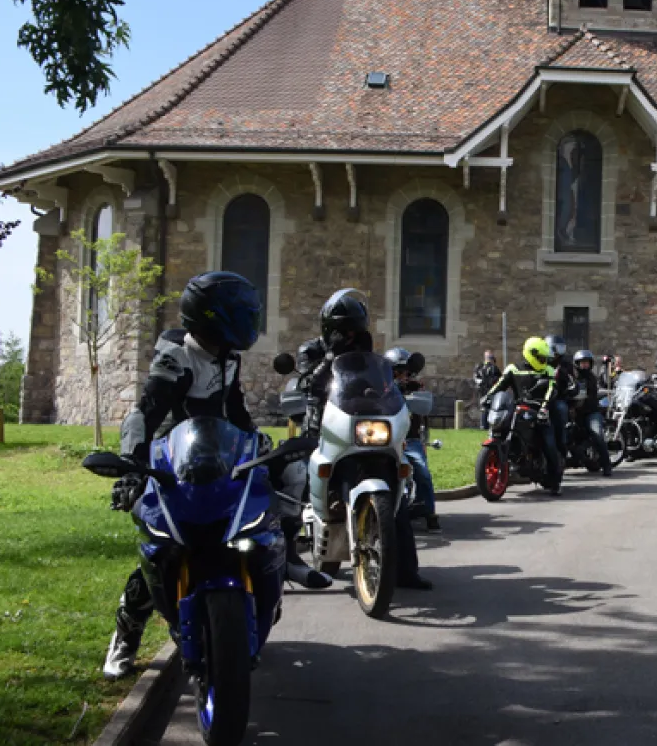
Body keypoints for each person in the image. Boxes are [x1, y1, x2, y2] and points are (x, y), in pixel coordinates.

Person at [104, 271, 305, 680]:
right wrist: (132, 467)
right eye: (242, 314)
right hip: (171, 461)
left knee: (288, 478)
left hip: (218, 453)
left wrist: (257, 443)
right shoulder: (175, 357)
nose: (249, 322)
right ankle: (126, 634)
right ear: (212, 316)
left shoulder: (227, 355)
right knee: (165, 549)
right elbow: (146, 412)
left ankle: (289, 559)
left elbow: (234, 408)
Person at [297, 290, 432, 590]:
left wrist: (390, 394)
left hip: (361, 427)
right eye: (342, 330)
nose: (349, 335)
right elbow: (307, 384)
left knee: (398, 494)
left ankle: (406, 571)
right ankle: (286, 561)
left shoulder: (368, 354)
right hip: (322, 427)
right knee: (295, 482)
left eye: (354, 329)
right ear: (329, 329)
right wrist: (329, 357)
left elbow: (379, 385)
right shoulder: (311, 350)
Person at [485, 336, 563, 494]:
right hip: (516, 409)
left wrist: (544, 408)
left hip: (539, 411)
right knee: (501, 429)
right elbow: (500, 385)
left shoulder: (547, 370)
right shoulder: (513, 369)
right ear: (530, 354)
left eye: (544, 358)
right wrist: (487, 397)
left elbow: (550, 390)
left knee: (549, 444)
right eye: (540, 358)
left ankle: (555, 481)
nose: (543, 361)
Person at [386, 347, 439, 532]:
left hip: (410, 440)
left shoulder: (415, 387)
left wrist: (413, 389)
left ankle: (430, 512)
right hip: (385, 439)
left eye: (405, 372)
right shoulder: (382, 389)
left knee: (422, 472)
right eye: (397, 372)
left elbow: (423, 410)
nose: (402, 376)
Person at [572, 350, 613, 476]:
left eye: (587, 363)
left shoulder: (591, 378)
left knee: (597, 434)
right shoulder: (573, 377)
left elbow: (586, 396)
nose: (585, 365)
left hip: (591, 412)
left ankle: (607, 465)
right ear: (577, 363)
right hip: (575, 413)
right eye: (582, 363)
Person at [546, 335, 575, 457]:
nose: (559, 352)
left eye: (561, 348)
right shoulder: (542, 362)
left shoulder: (565, 364)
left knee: (561, 408)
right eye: (557, 348)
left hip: (559, 398)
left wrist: (563, 375)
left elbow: (572, 381)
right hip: (542, 398)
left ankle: (562, 442)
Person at [473, 350, 501, 430]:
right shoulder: (480, 367)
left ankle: (491, 426)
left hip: (492, 390)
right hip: (483, 391)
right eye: (488, 357)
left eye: (491, 357)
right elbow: (476, 377)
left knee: (492, 408)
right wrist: (480, 383)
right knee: (484, 408)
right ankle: (483, 426)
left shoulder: (494, 368)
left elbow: (499, 379)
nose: (489, 359)